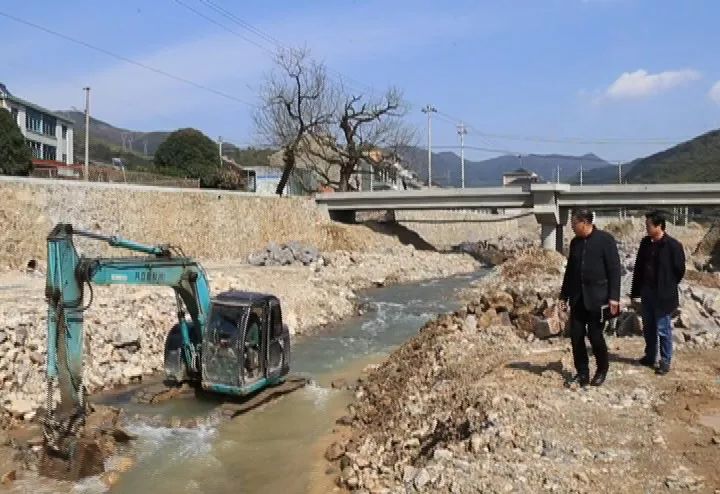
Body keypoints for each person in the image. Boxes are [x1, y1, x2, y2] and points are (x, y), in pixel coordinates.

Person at [560, 209, 621, 387]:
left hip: (599, 299)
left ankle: (602, 368)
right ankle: (582, 373)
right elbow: (570, 272)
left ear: (585, 223)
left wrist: (614, 297)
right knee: (576, 336)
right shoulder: (575, 243)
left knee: (595, 336)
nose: (571, 227)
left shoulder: (605, 240)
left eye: (573, 224)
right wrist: (563, 296)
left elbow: (614, 270)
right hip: (578, 298)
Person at [630, 211, 685, 375]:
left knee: (663, 328)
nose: (646, 228)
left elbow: (679, 270)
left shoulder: (673, 245)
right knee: (648, 326)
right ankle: (650, 355)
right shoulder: (645, 243)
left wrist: (667, 284)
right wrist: (636, 291)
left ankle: (665, 360)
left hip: (663, 294)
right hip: (647, 292)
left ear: (659, 226)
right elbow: (639, 267)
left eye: (648, 225)